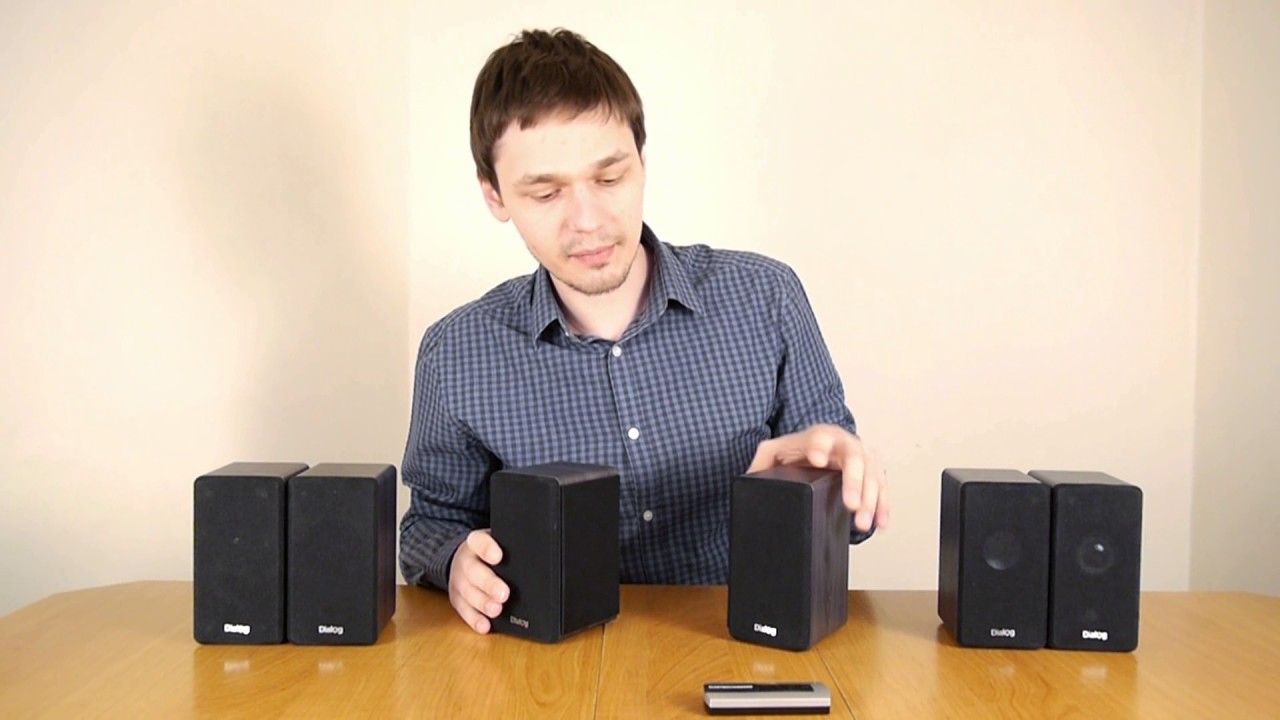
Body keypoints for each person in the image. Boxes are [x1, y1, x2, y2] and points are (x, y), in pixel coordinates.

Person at [399, 28, 890, 634]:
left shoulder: (767, 297)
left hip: (744, 643)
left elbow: (854, 523)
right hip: (558, 659)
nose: (588, 221)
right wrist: (453, 561)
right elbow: (428, 526)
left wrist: (839, 485)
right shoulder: (456, 353)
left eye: (610, 179)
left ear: (642, 164)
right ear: (495, 197)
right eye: (546, 193)